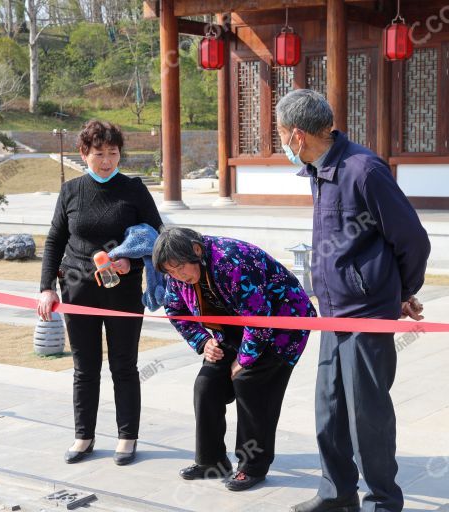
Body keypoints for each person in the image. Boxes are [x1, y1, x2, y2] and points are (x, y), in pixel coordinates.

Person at [276, 90, 431, 512]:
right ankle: (337, 494)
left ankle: (383, 501)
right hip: (332, 313)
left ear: (296, 135)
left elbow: (412, 239)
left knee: (367, 414)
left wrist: (402, 292)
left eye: (280, 135)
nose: (281, 145)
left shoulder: (363, 170)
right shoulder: (319, 170)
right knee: (329, 408)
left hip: (365, 315)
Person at [37, 120, 163, 466]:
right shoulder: (71, 191)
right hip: (77, 290)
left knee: (124, 366)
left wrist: (129, 263)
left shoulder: (134, 190)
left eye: (113, 153)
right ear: (84, 154)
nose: (107, 160)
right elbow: (54, 241)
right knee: (84, 367)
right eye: (99, 154)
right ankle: (84, 436)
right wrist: (46, 287)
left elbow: (157, 236)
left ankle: (127, 437)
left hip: (122, 291)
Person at [154, 227, 317, 492]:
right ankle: (211, 461)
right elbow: (175, 308)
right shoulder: (178, 273)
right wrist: (202, 341)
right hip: (232, 330)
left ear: (196, 251)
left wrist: (243, 360)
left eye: (179, 268)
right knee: (206, 386)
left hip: (280, 326)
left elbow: (259, 316)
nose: (177, 276)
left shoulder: (231, 260)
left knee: (249, 383)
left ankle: (252, 465)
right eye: (170, 272)